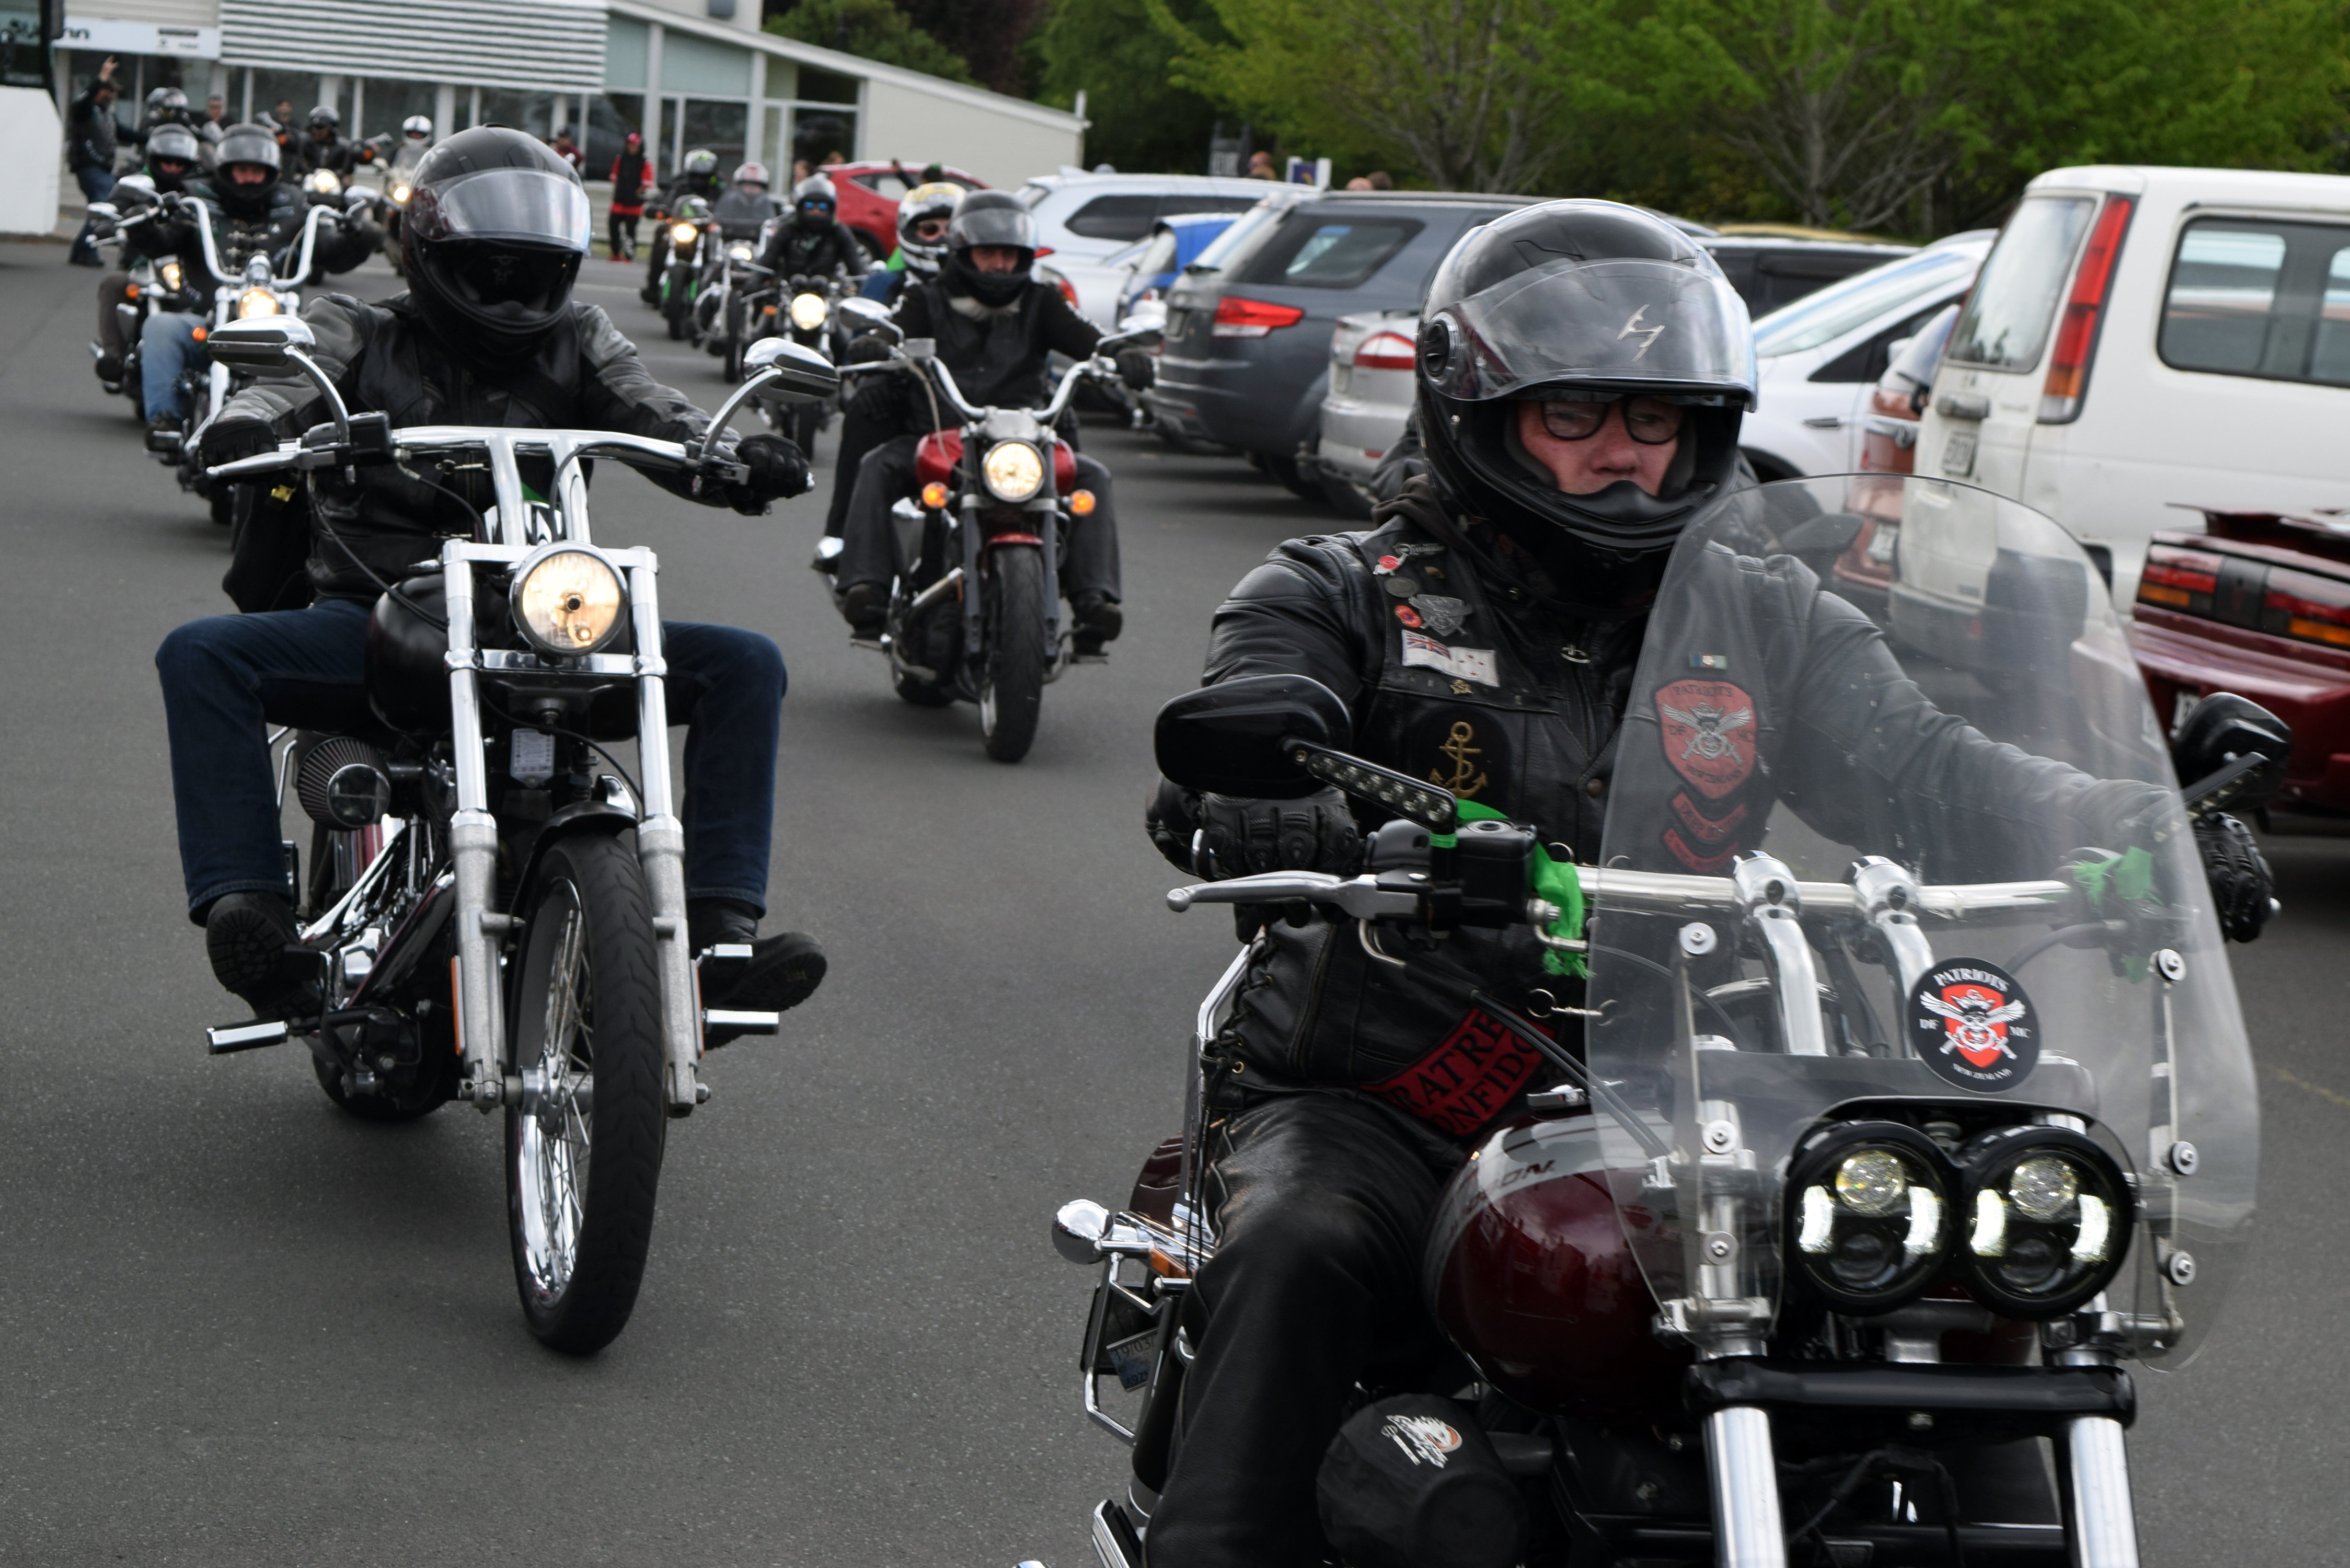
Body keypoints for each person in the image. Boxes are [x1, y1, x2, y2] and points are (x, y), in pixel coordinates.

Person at [1132, 199, 2278, 1565]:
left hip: (1704, 1097)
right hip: (1394, 1086)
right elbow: (1255, 715)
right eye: (1581, 417)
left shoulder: (1760, 610)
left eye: (1658, 421)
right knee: (1300, 1252)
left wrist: (2150, 823)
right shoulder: (1345, 588)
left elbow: (1939, 773)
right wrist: (1266, 795)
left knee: (1949, 1277)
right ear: (1481, 411)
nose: (1625, 455)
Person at [158, 126, 823, 1027]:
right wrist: (241, 423)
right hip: (382, 615)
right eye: (490, 266)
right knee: (202, 656)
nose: (510, 285)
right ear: (434, 253)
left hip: (548, 615)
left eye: (528, 267)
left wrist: (734, 457)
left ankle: (716, 937)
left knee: (745, 662)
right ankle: (253, 913)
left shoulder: (582, 337)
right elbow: (284, 386)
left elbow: (658, 415)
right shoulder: (357, 327)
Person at [827, 189, 1123, 656]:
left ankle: (1093, 601)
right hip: (940, 439)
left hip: (1025, 440)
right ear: (963, 253)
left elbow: (1092, 341)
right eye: (989, 253)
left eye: (1009, 254)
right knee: (880, 464)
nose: (1000, 265)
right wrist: (875, 341)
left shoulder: (1041, 300)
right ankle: (867, 588)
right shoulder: (925, 298)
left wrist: (1121, 355)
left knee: (1092, 476)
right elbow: (894, 328)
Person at [133, 122, 375, 448]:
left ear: (271, 171)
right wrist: (141, 221)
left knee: (334, 346)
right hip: (207, 324)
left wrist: (362, 236)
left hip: (281, 328)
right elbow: (161, 241)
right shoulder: (195, 200)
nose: (249, 178)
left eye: (256, 171)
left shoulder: (295, 206)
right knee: (161, 326)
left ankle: (321, 440)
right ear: (225, 169)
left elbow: (331, 252)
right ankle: (167, 421)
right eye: (241, 170)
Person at [90, 122, 202, 387]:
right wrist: (107, 223)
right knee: (114, 283)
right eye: (167, 161)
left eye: (180, 163)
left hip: (187, 266)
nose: (174, 168)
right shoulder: (134, 184)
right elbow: (113, 206)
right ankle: (114, 355)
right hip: (140, 264)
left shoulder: (199, 189)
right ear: (153, 159)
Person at [639, 146, 723, 305]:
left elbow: (727, 206)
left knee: (719, 248)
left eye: (703, 177)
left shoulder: (720, 189)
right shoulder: (679, 185)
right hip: (682, 227)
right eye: (695, 176)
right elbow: (666, 198)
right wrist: (659, 208)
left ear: (712, 176)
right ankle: (653, 286)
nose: (699, 180)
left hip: (705, 230)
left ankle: (717, 290)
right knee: (661, 234)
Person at [857, 178, 956, 304]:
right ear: (911, 232)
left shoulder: (979, 286)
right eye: (930, 229)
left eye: (951, 229)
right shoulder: (884, 284)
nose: (942, 237)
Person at [756, 172, 868, 283]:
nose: (816, 211)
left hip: (828, 294)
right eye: (809, 206)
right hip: (789, 292)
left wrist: (864, 289)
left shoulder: (839, 231)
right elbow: (768, 260)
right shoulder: (788, 230)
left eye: (822, 207)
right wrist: (754, 282)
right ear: (800, 207)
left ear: (830, 209)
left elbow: (856, 266)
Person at [65, 56, 122, 267]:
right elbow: (87, 98)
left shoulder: (107, 115)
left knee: (100, 208)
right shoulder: (84, 110)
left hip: (102, 169)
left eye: (111, 91)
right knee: (103, 206)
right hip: (89, 168)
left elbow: (123, 133)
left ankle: (80, 250)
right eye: (105, 90)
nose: (109, 95)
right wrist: (102, 76)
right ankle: (87, 251)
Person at [711, 159, 781, 243]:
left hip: (758, 244)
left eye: (755, 186)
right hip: (729, 243)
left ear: (763, 188)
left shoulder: (766, 205)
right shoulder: (728, 203)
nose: (751, 188)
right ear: (739, 186)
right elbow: (718, 218)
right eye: (748, 185)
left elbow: (773, 222)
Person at [607, 130, 651, 260]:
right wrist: (621, 190)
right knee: (613, 226)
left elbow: (646, 183)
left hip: (634, 204)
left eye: (635, 146)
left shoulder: (645, 163)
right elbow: (614, 178)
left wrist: (634, 192)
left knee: (630, 231)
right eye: (630, 145)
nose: (632, 148)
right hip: (619, 201)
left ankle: (629, 255)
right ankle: (615, 253)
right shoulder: (620, 160)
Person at [293, 105, 357, 179]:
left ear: (331, 130)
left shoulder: (343, 147)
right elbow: (298, 167)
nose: (315, 131)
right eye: (313, 127)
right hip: (307, 182)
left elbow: (348, 170)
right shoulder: (304, 143)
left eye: (320, 127)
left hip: (334, 184)